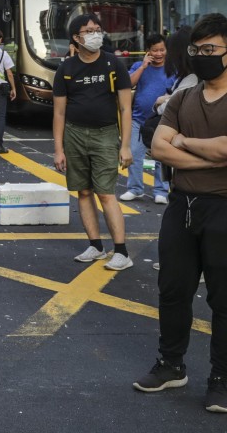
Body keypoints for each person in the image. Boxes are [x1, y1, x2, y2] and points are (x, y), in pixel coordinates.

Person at [135, 14, 227, 414]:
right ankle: (171, 364)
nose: (201, 57)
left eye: (210, 50)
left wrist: (187, 142)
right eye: (196, 50)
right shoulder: (183, 98)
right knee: (173, 290)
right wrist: (211, 157)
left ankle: (220, 379)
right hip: (182, 206)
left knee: (225, 299)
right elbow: (159, 148)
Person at [52, 14, 134, 271]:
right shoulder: (66, 69)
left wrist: (125, 145)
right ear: (76, 38)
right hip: (74, 135)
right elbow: (59, 113)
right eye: (89, 31)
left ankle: (121, 251)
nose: (95, 34)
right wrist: (58, 150)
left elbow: (125, 108)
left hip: (106, 134)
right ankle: (96, 246)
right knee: (83, 191)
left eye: (98, 29)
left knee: (105, 193)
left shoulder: (113, 64)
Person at [121, 34, 177, 205]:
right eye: (155, 50)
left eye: (162, 50)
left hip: (163, 120)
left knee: (161, 157)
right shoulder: (139, 65)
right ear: (148, 51)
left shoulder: (172, 68)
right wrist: (143, 67)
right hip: (139, 119)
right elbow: (128, 83)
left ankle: (161, 190)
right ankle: (135, 189)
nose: (159, 54)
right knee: (135, 155)